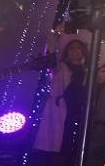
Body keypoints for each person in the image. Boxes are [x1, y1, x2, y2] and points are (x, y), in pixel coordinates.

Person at [31, 38, 89, 166]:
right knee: (57, 151)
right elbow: (51, 55)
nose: (75, 52)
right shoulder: (60, 67)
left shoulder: (87, 71)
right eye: (71, 49)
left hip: (78, 115)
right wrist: (55, 35)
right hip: (60, 113)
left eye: (78, 48)